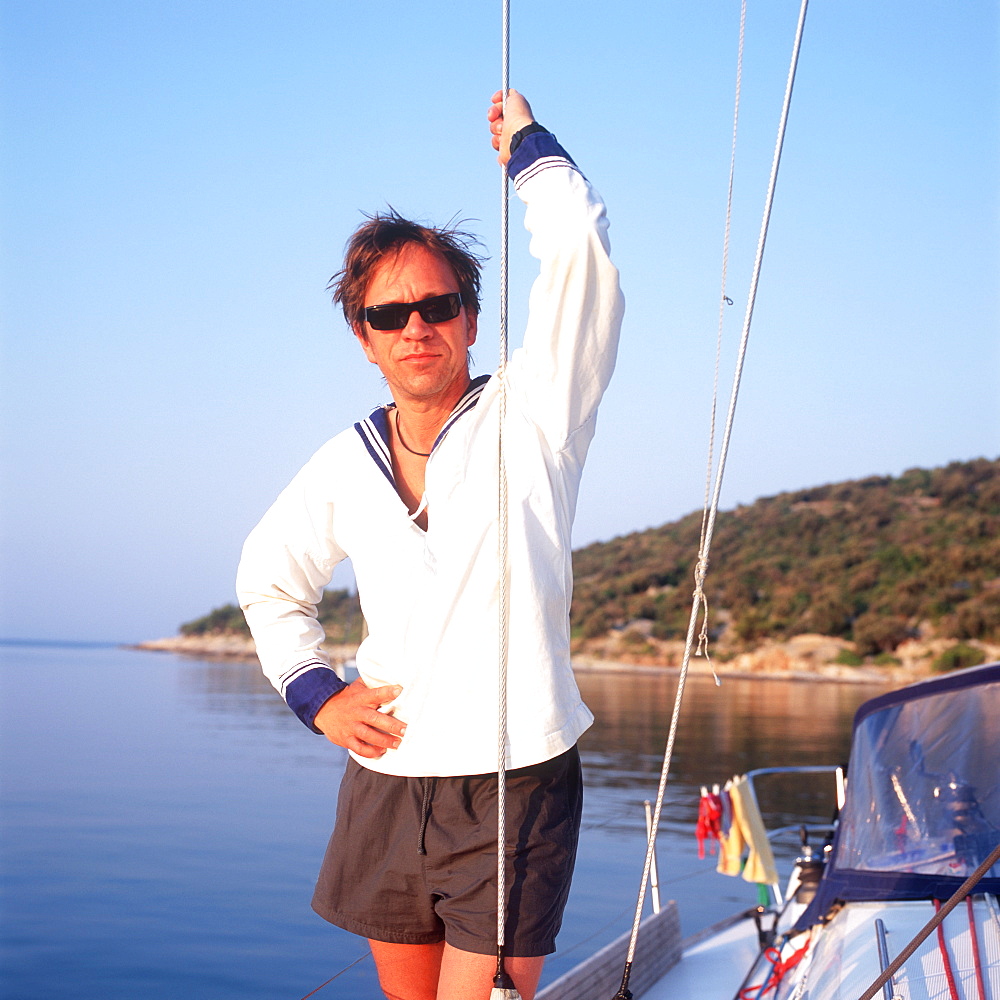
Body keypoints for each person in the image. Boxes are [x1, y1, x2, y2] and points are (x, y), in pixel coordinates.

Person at [236, 90, 624, 1000]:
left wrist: (529, 152)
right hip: (385, 777)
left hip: (512, 775)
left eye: (438, 305)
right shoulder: (344, 460)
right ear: (363, 338)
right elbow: (269, 579)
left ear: (471, 319)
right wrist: (316, 693)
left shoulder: (536, 416)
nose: (416, 326)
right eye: (388, 315)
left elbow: (581, 260)